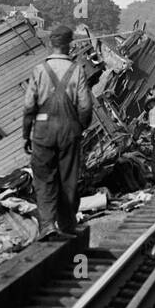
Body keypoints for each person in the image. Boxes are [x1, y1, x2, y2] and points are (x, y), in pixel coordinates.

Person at [22, 24, 94, 240]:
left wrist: (27, 134)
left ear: (50, 43)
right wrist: (79, 127)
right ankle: (67, 224)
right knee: (68, 178)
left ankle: (47, 226)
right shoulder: (77, 70)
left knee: (44, 178)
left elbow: (28, 107)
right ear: (69, 45)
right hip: (69, 130)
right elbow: (85, 106)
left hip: (42, 130)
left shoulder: (39, 70)